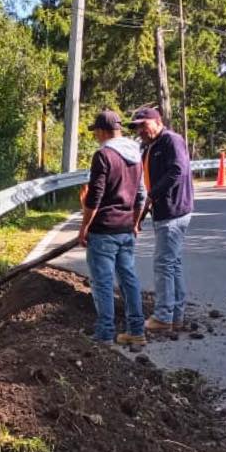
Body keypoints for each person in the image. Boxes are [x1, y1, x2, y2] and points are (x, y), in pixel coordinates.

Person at [79, 109, 146, 346]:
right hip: (126, 228)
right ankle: (136, 330)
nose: (95, 136)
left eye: (95, 131)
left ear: (103, 130)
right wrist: (135, 222)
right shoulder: (135, 154)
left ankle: (105, 333)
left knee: (103, 281)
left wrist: (84, 226)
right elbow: (140, 195)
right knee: (128, 278)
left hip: (104, 229)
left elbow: (94, 197)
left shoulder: (103, 155)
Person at [129, 106, 193, 332]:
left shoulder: (171, 140)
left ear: (157, 121)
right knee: (172, 264)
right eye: (137, 128)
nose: (140, 131)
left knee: (163, 264)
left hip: (173, 211)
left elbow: (178, 170)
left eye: (143, 125)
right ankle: (175, 315)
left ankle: (163, 317)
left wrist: (152, 195)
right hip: (163, 211)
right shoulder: (150, 146)